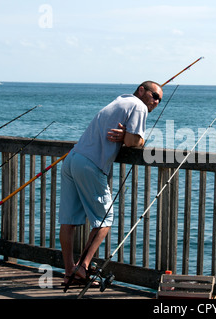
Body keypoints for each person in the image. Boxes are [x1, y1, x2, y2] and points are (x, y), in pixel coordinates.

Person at [59, 81, 163, 285]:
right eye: (155, 96)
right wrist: (135, 139)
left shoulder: (120, 100)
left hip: (73, 159)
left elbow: (127, 137)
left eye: (160, 99)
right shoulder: (139, 106)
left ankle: (69, 271)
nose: (157, 102)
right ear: (141, 91)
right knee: (105, 219)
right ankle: (82, 267)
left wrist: (126, 136)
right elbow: (134, 142)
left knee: (69, 220)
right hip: (91, 164)